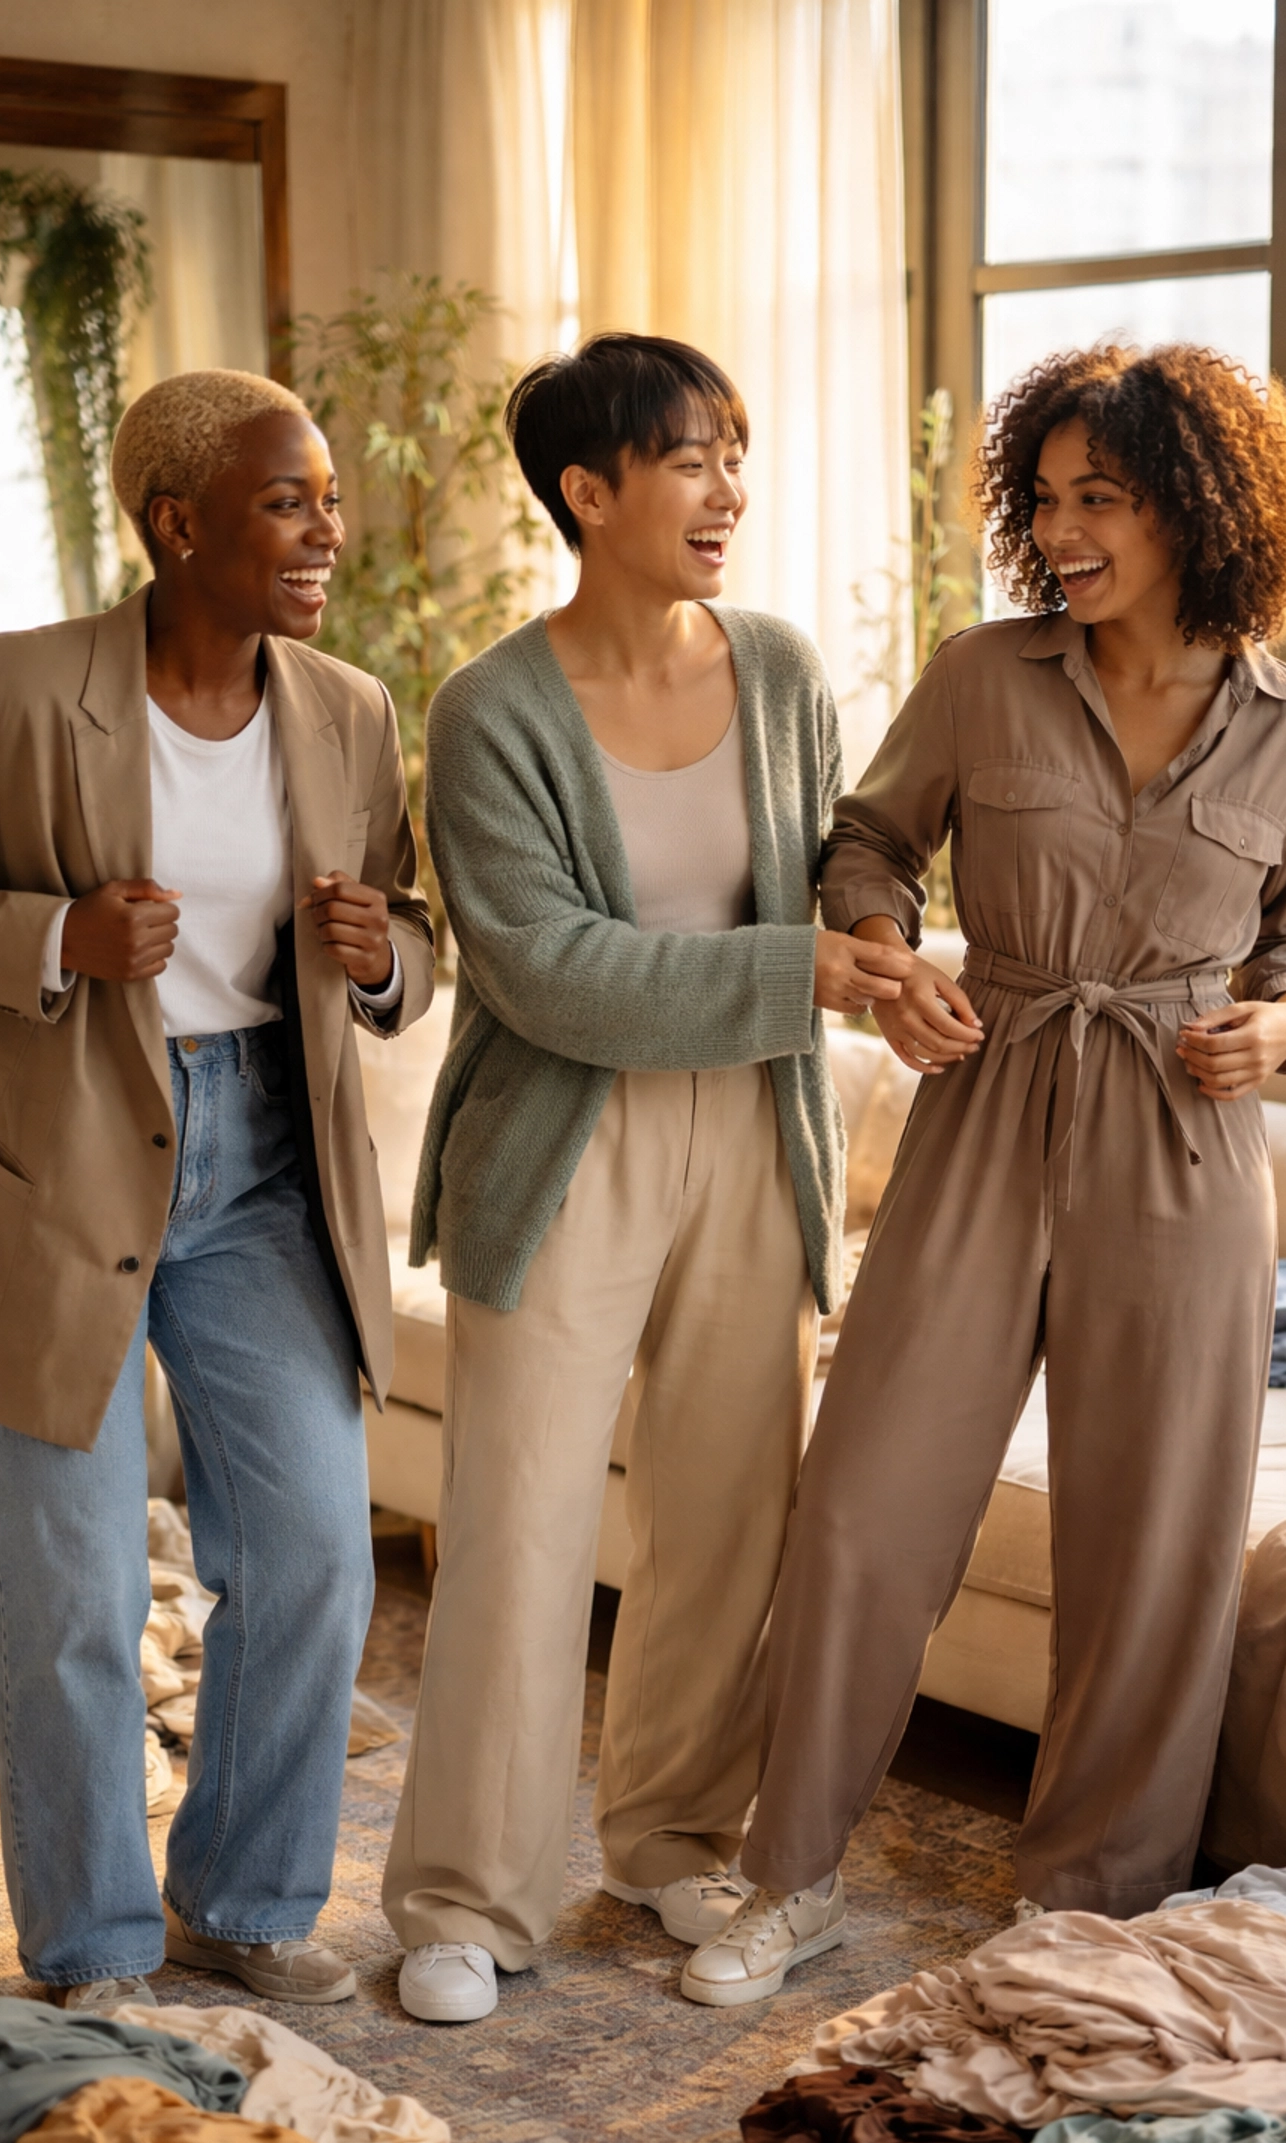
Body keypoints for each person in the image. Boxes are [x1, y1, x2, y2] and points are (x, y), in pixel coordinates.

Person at [682, 341, 1286, 2007]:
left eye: (1096, 500)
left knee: (1155, 1550)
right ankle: (791, 1875)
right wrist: (890, 948)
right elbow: (866, 841)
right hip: (987, 1106)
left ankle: (1087, 1907)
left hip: (1189, 1148)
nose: (1058, 530)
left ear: (1197, 506)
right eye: (1043, 500)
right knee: (864, 1506)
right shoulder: (986, 677)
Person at [380, 332, 912, 2022]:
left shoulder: (777, 664)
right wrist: (808, 972)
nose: (729, 490)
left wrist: (874, 929)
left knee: (726, 1514)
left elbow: (827, 855)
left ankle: (673, 1835)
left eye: (735, 454)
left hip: (756, 1128)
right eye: (691, 459)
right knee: (521, 1524)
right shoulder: (488, 711)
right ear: (589, 492)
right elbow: (545, 968)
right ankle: (467, 1895)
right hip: (566, 1140)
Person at [0, 368, 433, 2008]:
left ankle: (246, 1902)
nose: (326, 529)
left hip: (267, 1161)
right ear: (179, 520)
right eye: (291, 500)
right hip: (53, 1172)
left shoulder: (347, 707)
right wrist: (52, 936)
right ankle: (95, 1948)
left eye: (330, 497)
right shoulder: (3, 691)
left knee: (312, 1554)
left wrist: (385, 957)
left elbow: (408, 930)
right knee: (69, 1591)